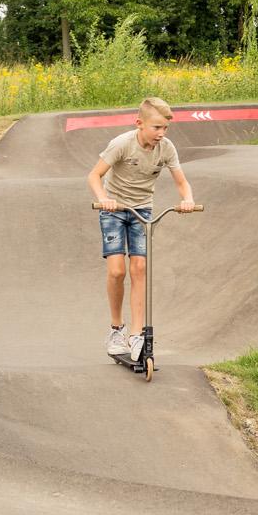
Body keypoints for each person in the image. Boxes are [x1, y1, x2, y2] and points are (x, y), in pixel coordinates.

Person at [87, 96, 199, 361]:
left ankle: (137, 334)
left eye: (165, 128)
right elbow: (94, 175)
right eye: (156, 127)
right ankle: (117, 330)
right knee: (117, 271)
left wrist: (188, 200)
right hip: (114, 210)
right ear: (140, 124)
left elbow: (181, 182)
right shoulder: (122, 144)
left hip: (142, 211)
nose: (162, 133)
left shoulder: (167, 148)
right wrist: (104, 198)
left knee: (139, 268)